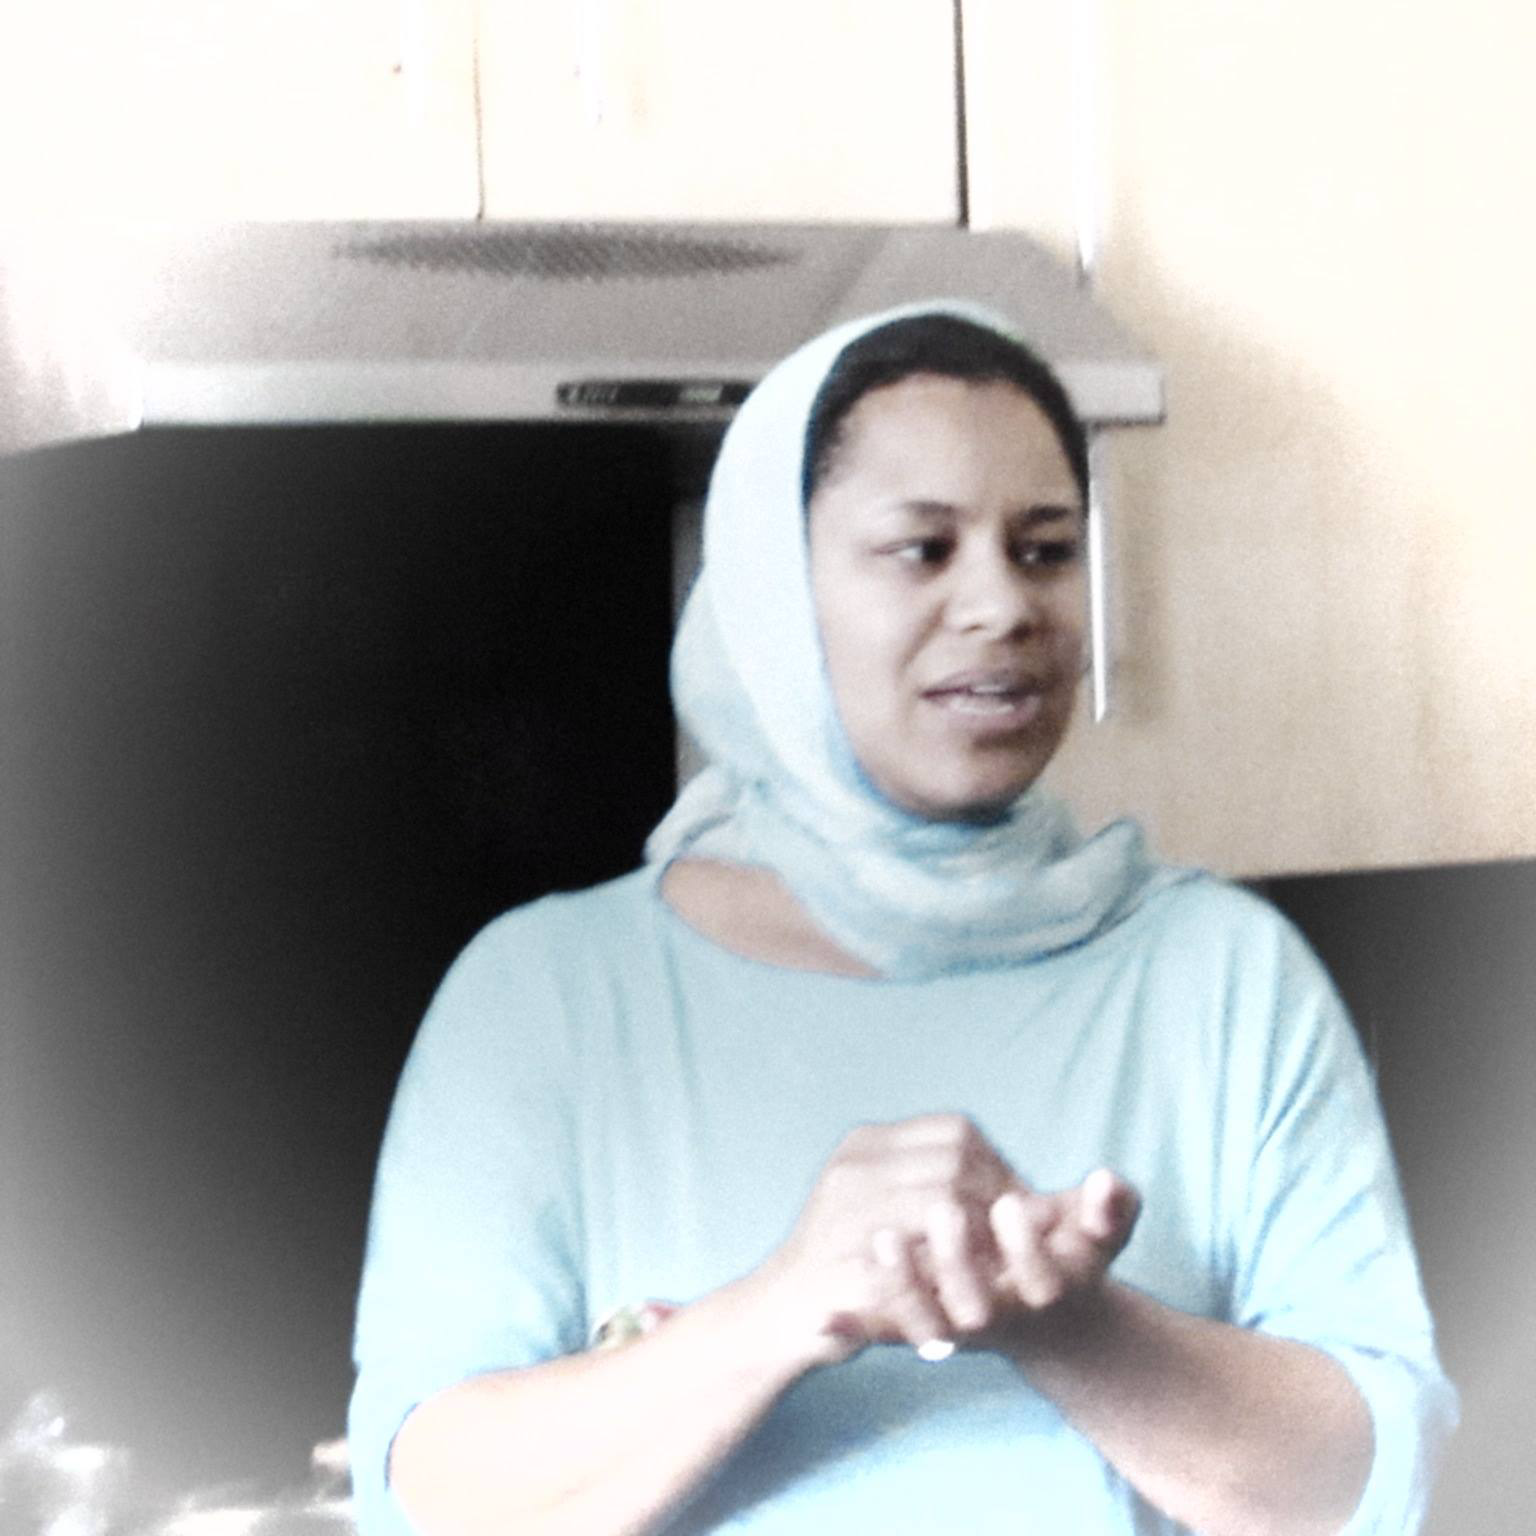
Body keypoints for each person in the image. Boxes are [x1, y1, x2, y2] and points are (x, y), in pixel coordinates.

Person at [347, 304, 1457, 1535]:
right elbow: (432, 1499)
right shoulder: (541, 1000)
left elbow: (1364, 1489)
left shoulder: (1226, 977)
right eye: (923, 550)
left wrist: (1066, 1322)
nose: (1002, 606)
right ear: (773, 597)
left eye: (1043, 550)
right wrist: (786, 1303)